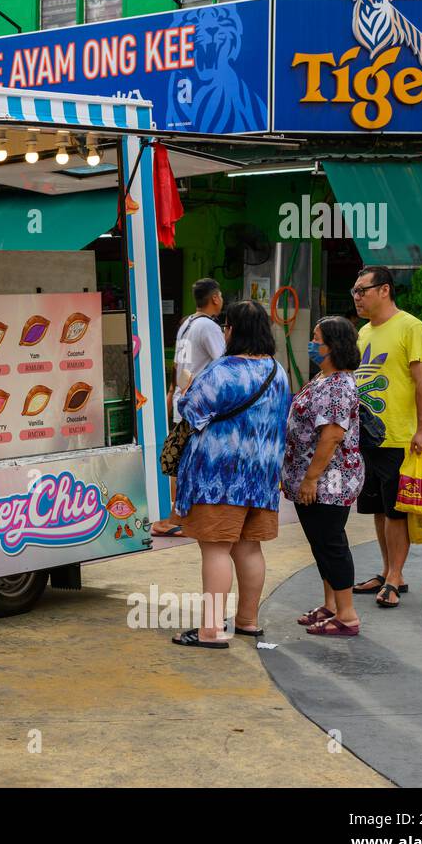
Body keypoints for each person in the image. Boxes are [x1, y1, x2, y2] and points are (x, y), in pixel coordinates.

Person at [170, 300, 291, 649]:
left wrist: (187, 390)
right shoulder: (277, 371)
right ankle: (248, 622)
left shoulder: (221, 371)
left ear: (232, 331)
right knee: (249, 549)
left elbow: (191, 413)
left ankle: (210, 630)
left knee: (216, 550)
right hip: (263, 476)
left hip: (219, 477)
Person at [350, 266, 422, 609]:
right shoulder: (364, 332)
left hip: (400, 436)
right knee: (378, 509)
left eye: (362, 290)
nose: (356, 297)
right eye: (354, 291)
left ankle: (396, 576)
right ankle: (387, 572)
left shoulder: (411, 328)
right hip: (368, 436)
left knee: (397, 511)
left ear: (384, 290)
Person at [283, 317, 364, 637]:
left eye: (316, 338)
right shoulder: (324, 378)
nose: (312, 344)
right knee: (321, 543)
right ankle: (331, 605)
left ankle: (347, 614)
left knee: (331, 544)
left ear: (331, 346)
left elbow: (330, 437)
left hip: (329, 481)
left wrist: (310, 479)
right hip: (317, 478)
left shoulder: (339, 386)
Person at [152, 278, 225, 537]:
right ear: (215, 298)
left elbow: (177, 364)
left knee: (183, 459)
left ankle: (179, 515)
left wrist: (172, 391)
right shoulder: (208, 326)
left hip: (181, 401)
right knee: (194, 461)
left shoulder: (187, 323)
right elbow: (223, 364)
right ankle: (181, 518)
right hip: (199, 406)